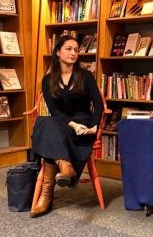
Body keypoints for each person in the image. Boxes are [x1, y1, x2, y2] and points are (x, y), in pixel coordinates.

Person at [30, 35, 104, 218]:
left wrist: (94, 126)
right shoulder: (47, 80)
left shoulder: (85, 76)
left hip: (84, 127)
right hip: (64, 123)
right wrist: (72, 124)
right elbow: (55, 111)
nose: (73, 53)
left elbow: (99, 104)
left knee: (46, 128)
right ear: (58, 52)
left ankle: (47, 194)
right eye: (68, 49)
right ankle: (65, 165)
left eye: (76, 50)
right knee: (45, 122)